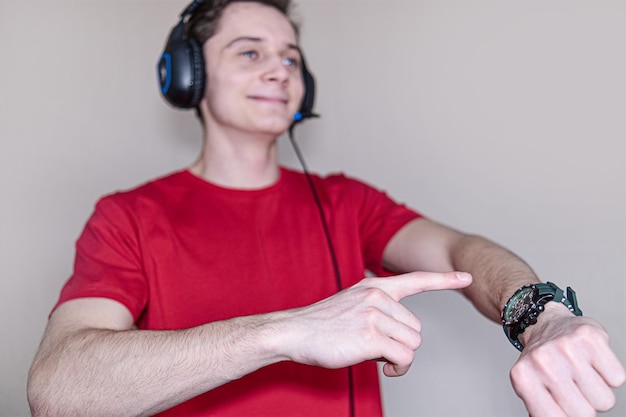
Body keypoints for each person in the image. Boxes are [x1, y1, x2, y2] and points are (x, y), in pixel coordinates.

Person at [27, 1, 625, 416]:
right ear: (187, 75)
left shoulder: (345, 201)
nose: (280, 72)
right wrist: (286, 331)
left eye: (290, 58)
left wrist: (541, 315)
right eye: (249, 53)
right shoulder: (128, 215)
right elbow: (57, 389)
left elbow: (459, 251)